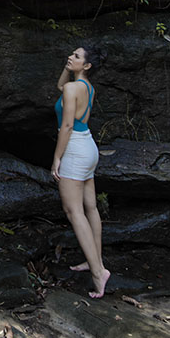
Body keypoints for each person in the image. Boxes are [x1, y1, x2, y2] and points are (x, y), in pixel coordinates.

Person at [52, 45, 110, 298]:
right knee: (90, 207)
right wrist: (68, 68)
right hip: (89, 147)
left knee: (73, 211)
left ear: (86, 65)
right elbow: (60, 87)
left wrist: (57, 158)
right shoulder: (86, 87)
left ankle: (98, 273)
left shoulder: (72, 89)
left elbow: (66, 126)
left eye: (75, 56)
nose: (70, 57)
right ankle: (94, 259)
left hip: (74, 148)